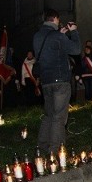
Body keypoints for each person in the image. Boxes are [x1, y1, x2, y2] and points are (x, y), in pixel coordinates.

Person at [33, 8, 81, 155]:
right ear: (54, 18)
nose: (59, 22)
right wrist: (73, 32)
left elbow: (50, 48)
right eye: (59, 20)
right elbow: (76, 49)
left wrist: (60, 35)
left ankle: (41, 148)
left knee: (48, 115)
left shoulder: (37, 36)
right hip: (60, 81)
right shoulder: (57, 37)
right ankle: (55, 152)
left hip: (45, 81)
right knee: (58, 117)